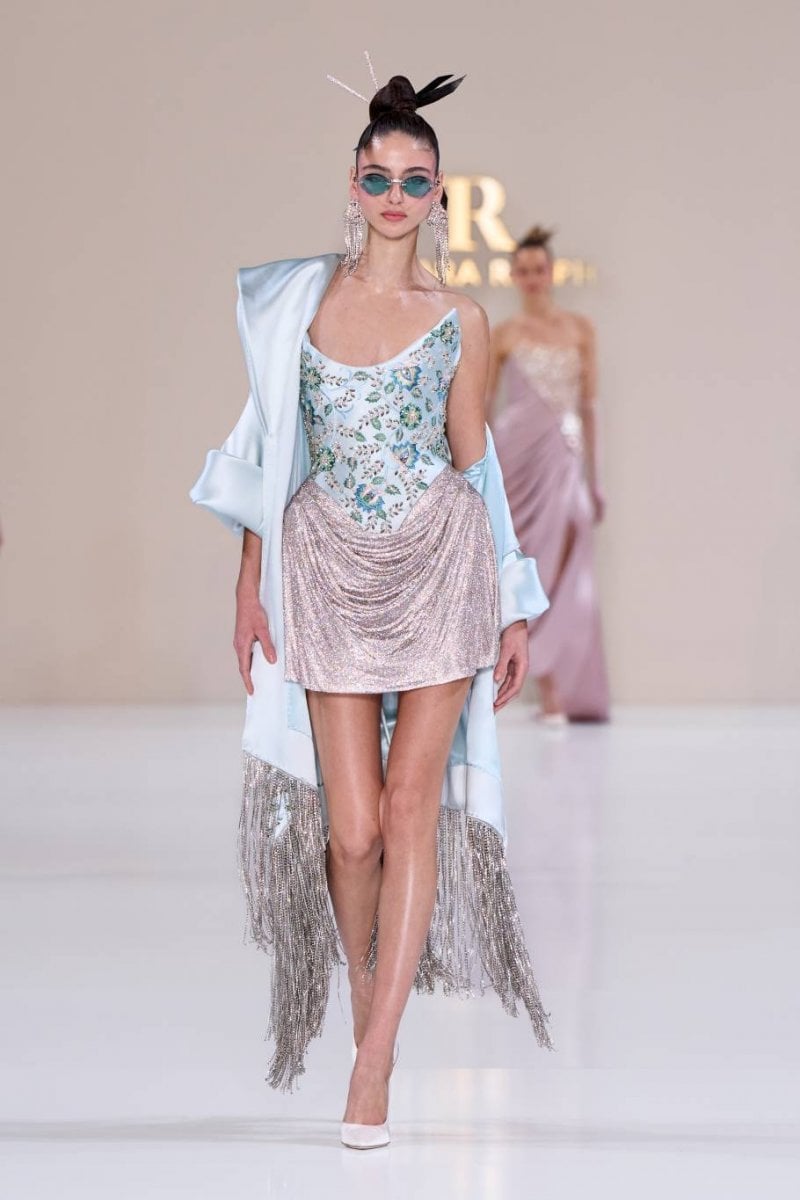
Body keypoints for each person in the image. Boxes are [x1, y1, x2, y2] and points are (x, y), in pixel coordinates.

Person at [190, 70, 552, 1150]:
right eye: (378, 177)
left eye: (415, 180)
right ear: (352, 187)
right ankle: (367, 1003)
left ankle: (376, 1058)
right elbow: (268, 447)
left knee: (406, 812)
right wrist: (248, 583)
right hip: (326, 568)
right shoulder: (296, 307)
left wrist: (512, 602)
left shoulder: (458, 318)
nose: (396, 195)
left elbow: (474, 462)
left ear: (439, 194)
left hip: (440, 564)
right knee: (348, 834)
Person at [488, 226, 610, 723]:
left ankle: (564, 683)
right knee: (527, 566)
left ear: (551, 272)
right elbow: (482, 405)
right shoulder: (504, 334)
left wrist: (595, 480)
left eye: (539, 269)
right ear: (514, 276)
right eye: (524, 271)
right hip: (516, 457)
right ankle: (547, 689)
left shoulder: (581, 329)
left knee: (566, 563)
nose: (533, 278)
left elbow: (590, 406)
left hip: (563, 456)